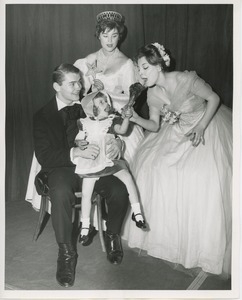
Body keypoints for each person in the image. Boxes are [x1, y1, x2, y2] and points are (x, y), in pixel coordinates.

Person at [126, 43, 232, 277]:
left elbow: (214, 99)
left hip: (206, 125)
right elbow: (154, 126)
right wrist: (135, 118)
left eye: (144, 67)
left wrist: (202, 127)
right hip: (174, 133)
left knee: (199, 174)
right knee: (153, 168)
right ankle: (166, 240)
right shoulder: (152, 93)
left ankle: (200, 246)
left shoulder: (186, 79)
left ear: (158, 64)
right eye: (138, 69)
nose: (141, 73)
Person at [33, 63, 130, 288]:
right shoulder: (42, 115)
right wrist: (74, 152)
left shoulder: (89, 104)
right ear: (57, 86)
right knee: (61, 191)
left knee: (119, 188)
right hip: (62, 167)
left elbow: (111, 125)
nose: (79, 87)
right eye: (73, 83)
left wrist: (117, 143)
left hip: (94, 164)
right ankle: (66, 253)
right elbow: (44, 156)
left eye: (80, 81)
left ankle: (112, 234)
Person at [72, 90, 146, 244]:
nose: (106, 104)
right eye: (101, 102)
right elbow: (78, 138)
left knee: (127, 177)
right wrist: (80, 143)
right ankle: (85, 226)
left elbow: (123, 131)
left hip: (108, 160)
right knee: (86, 192)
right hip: (92, 160)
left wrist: (126, 118)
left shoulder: (111, 121)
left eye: (106, 101)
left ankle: (137, 213)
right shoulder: (84, 123)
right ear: (92, 109)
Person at [73, 10, 144, 165]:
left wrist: (106, 95)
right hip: (94, 118)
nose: (110, 40)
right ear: (98, 35)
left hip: (116, 119)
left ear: (120, 36)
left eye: (114, 35)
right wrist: (93, 92)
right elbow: (79, 94)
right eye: (105, 35)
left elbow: (131, 98)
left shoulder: (126, 64)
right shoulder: (89, 60)